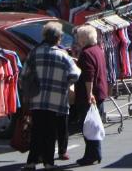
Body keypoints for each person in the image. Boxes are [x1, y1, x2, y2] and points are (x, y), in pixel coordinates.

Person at [22, 21, 80, 170]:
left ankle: (31, 162)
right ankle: (48, 163)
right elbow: (75, 74)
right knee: (51, 131)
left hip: (37, 98)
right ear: (58, 38)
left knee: (37, 130)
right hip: (56, 99)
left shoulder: (34, 52)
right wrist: (64, 82)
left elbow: (24, 74)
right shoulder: (63, 55)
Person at [71, 26, 109, 166]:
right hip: (100, 91)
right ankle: (92, 153)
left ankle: (93, 154)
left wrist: (89, 94)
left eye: (79, 37)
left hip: (91, 94)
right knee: (94, 124)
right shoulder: (97, 49)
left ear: (84, 38)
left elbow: (89, 76)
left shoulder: (86, 53)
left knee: (89, 126)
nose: (78, 40)